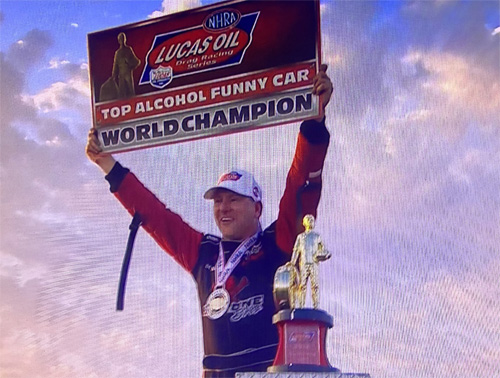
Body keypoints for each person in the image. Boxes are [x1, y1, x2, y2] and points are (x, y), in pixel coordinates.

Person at [85, 65, 333, 377]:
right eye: (217, 200)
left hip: (268, 372)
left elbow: (300, 185)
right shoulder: (202, 252)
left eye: (234, 199)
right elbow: (155, 216)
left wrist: (314, 118)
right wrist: (106, 163)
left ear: (257, 208)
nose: (223, 208)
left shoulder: (277, 243)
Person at [290, 214, 331, 309]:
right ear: (304, 223)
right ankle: (301, 306)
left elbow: (323, 249)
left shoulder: (317, 236)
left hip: (314, 264)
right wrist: (292, 262)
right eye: (308, 220)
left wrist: (325, 255)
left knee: (315, 285)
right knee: (302, 285)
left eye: (312, 220)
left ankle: (315, 306)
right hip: (303, 264)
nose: (310, 221)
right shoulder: (300, 237)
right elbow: (296, 250)